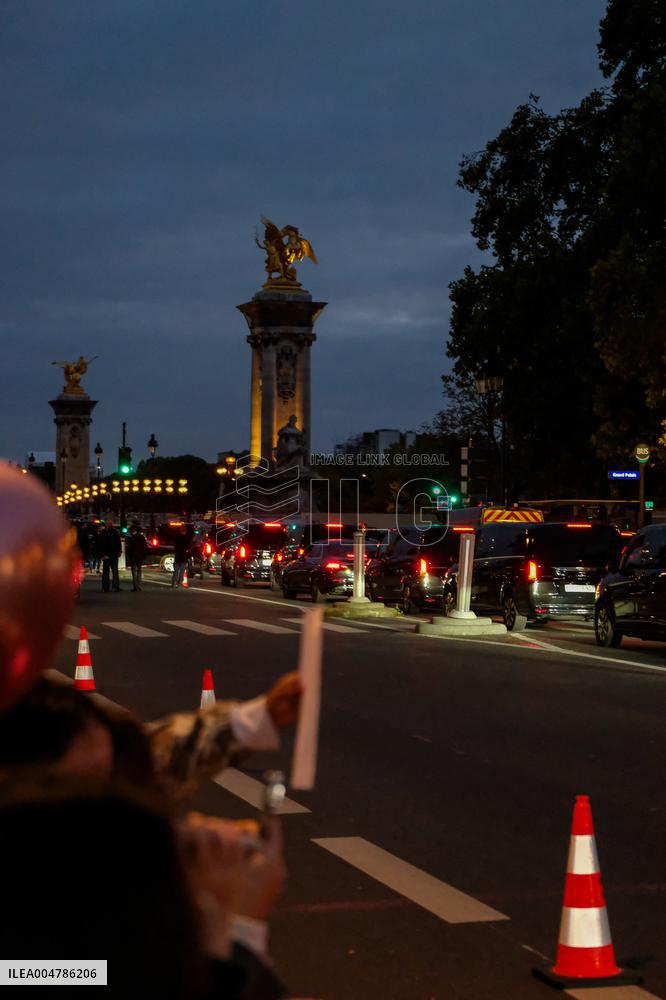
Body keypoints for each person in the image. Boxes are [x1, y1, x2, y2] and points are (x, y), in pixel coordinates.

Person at [99, 517, 122, 592]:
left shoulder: (103, 533)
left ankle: (105, 587)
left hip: (106, 554)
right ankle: (115, 586)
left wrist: (102, 554)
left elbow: (101, 544)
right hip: (114, 554)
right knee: (115, 571)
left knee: (106, 571)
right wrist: (119, 552)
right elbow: (118, 543)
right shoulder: (115, 532)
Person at [126, 519, 149, 591]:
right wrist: (144, 555)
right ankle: (138, 585)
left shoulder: (130, 533)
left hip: (133, 554)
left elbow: (128, 545)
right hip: (139, 555)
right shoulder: (141, 535)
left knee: (134, 570)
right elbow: (145, 546)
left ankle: (135, 585)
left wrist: (128, 554)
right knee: (139, 569)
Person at [172, 523, 191, 588]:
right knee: (182, 571)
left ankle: (174, 583)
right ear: (185, 531)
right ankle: (179, 582)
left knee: (176, 571)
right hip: (184, 557)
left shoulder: (177, 537)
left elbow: (175, 547)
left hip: (178, 556)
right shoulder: (187, 538)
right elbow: (188, 547)